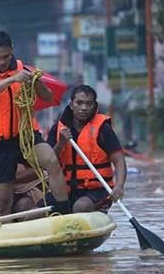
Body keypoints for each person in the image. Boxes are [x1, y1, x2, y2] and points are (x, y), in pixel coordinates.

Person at [0, 30, 70, 216]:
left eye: (6, 56)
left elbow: (48, 97)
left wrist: (36, 82)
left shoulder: (21, 68)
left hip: (26, 134)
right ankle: (5, 230)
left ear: (12, 51)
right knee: (4, 200)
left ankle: (65, 212)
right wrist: (10, 80)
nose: (2, 61)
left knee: (51, 161)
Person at [47, 85, 126, 213]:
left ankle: (99, 209)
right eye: (79, 103)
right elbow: (48, 161)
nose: (84, 108)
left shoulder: (103, 129)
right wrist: (61, 143)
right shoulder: (58, 129)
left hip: (97, 190)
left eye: (88, 104)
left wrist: (119, 186)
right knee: (39, 208)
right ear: (71, 105)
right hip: (65, 190)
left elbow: (119, 160)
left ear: (94, 106)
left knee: (80, 207)